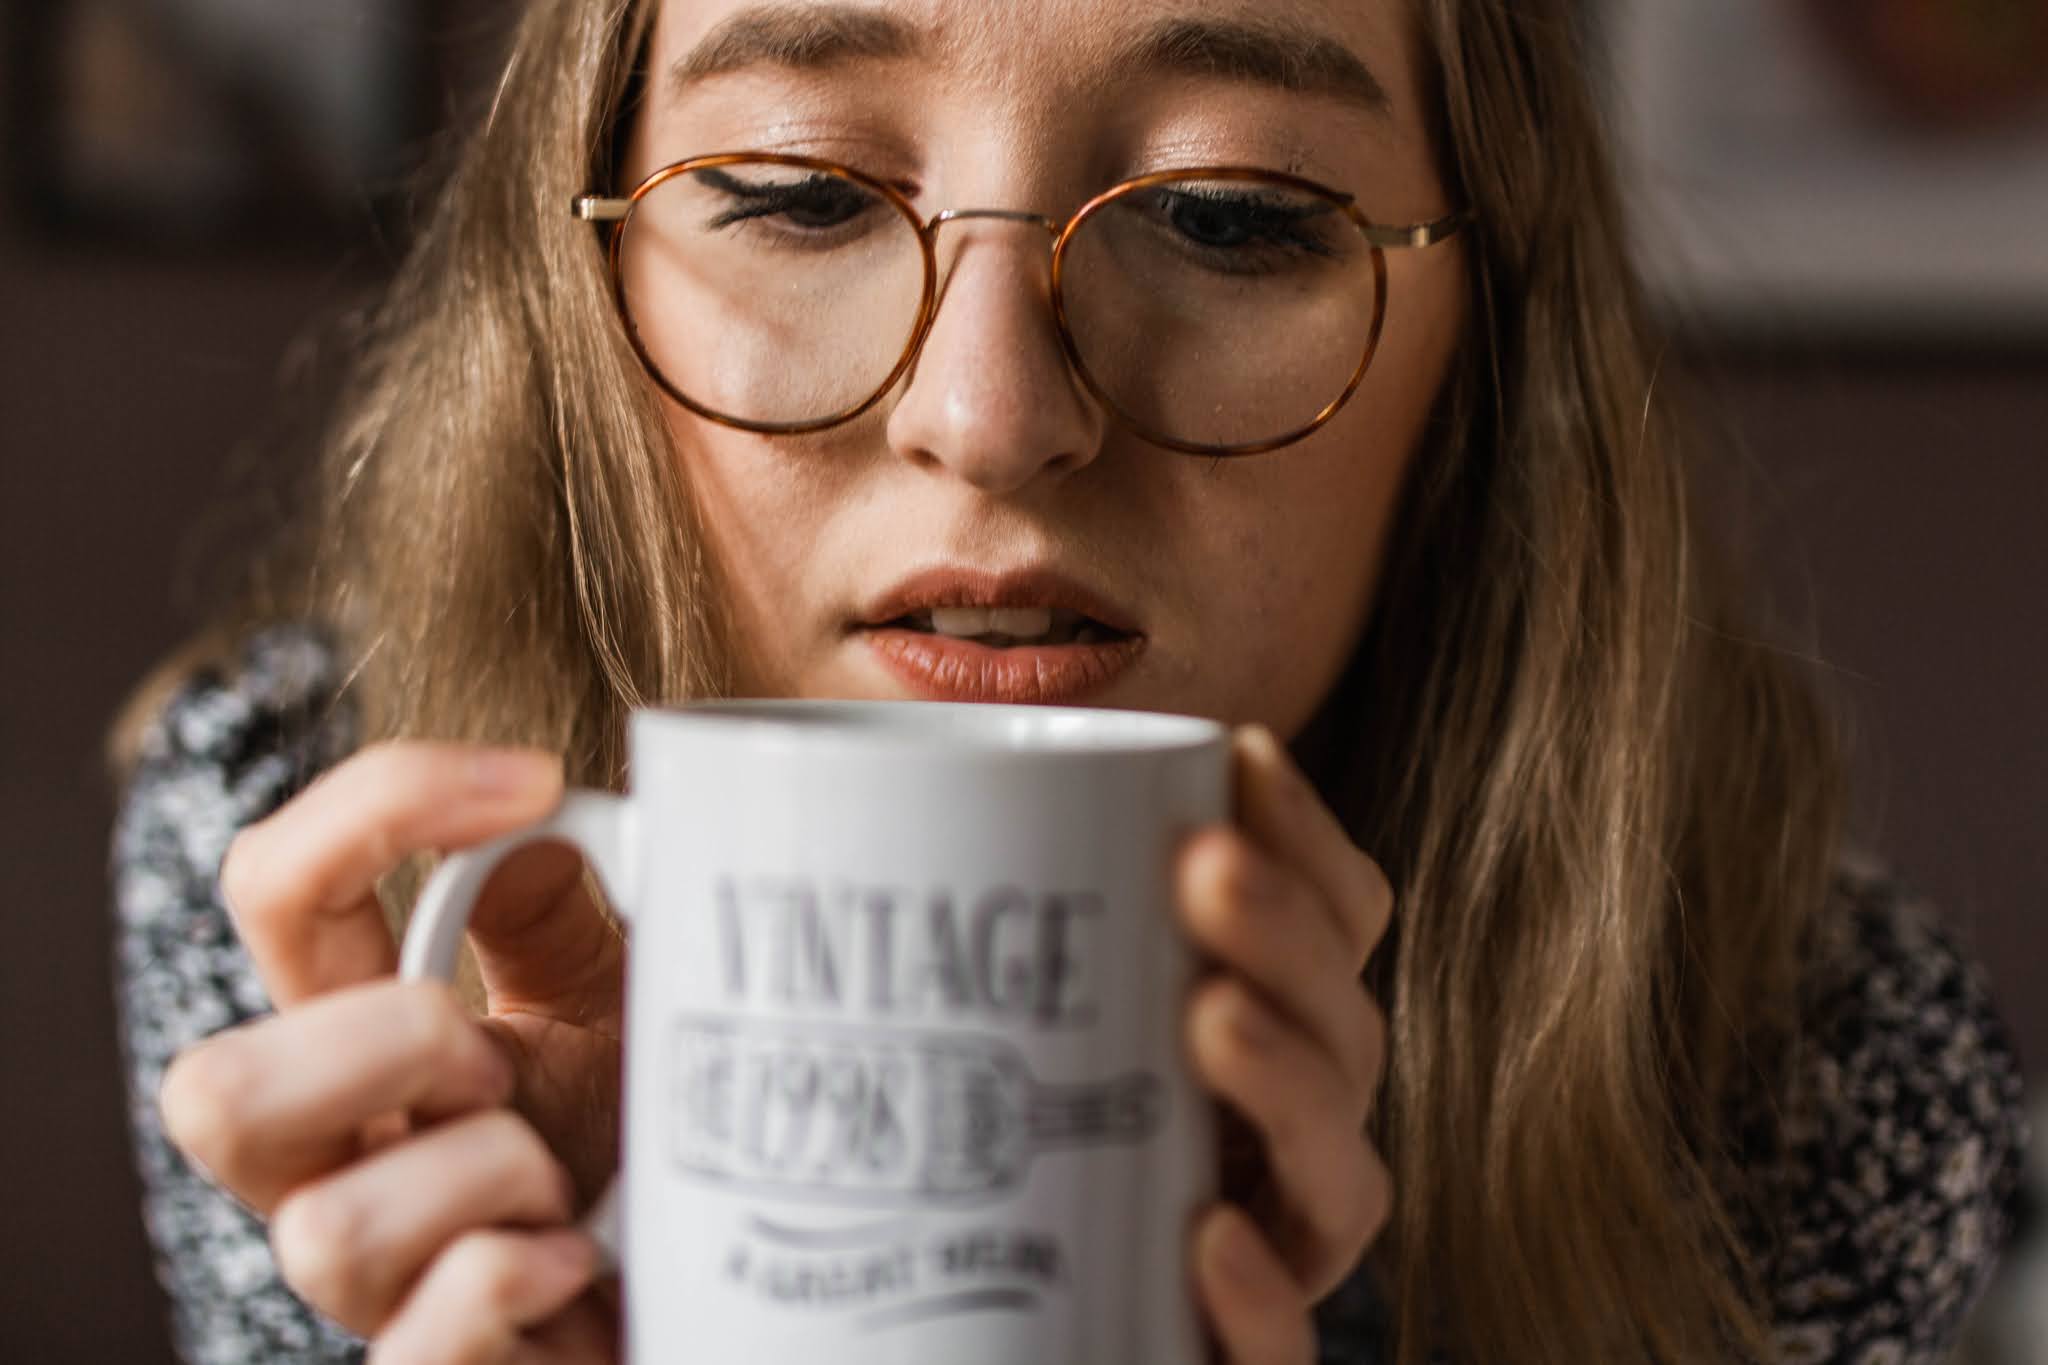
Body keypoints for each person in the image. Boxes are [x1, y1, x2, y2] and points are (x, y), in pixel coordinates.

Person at [107, 1, 2028, 1362]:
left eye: (1228, 216)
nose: (991, 413)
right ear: (581, 282)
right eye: (793, 193)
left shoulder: (1801, 1074)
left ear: (1488, 359)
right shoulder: (307, 857)